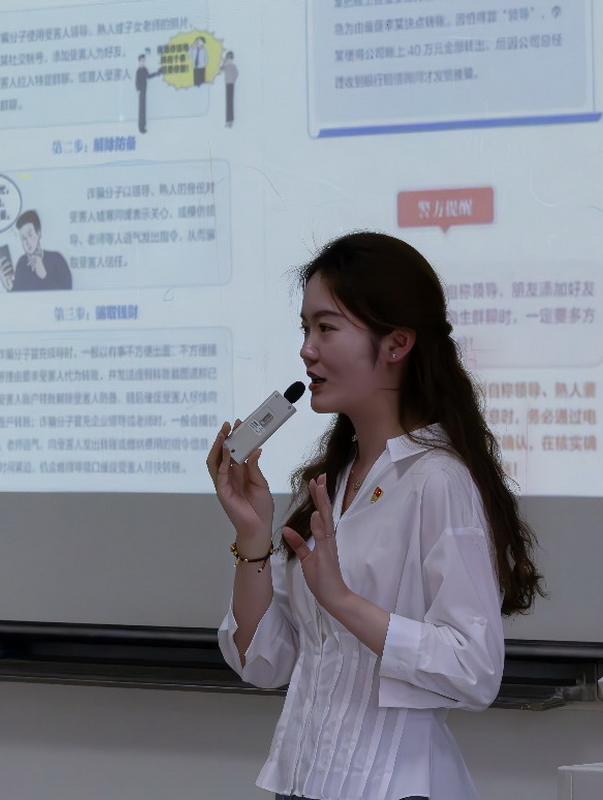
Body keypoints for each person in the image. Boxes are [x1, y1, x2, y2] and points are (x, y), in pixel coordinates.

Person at [207, 231, 543, 800]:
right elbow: (264, 663)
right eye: (305, 329)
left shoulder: (437, 480)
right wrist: (253, 537)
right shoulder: (333, 482)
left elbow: (474, 669)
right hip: (302, 782)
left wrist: (342, 601)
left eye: (327, 328)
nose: (307, 350)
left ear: (396, 343)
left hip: (396, 784)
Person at [0, 210, 72, 292]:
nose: (27, 242)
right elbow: (18, 296)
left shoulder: (57, 259)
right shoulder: (22, 263)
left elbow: (68, 292)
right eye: (23, 238)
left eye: (30, 235)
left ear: (38, 233)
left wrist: (44, 276)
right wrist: (10, 287)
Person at [135, 54, 162, 134]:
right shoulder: (138, 71)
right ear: (139, 61)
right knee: (141, 109)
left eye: (143, 61)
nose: (142, 62)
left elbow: (149, 76)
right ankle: (141, 127)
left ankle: (143, 126)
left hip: (144, 90)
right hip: (141, 91)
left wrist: (157, 73)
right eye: (141, 61)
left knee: (143, 108)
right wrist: (138, 90)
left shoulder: (145, 69)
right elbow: (136, 82)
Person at [222, 50, 238, 128]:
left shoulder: (231, 65)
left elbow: (236, 73)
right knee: (228, 102)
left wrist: (233, 80)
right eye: (227, 57)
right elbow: (221, 69)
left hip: (230, 84)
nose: (228, 59)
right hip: (228, 83)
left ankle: (230, 121)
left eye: (229, 57)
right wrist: (224, 62)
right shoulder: (227, 65)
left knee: (230, 102)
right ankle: (228, 121)